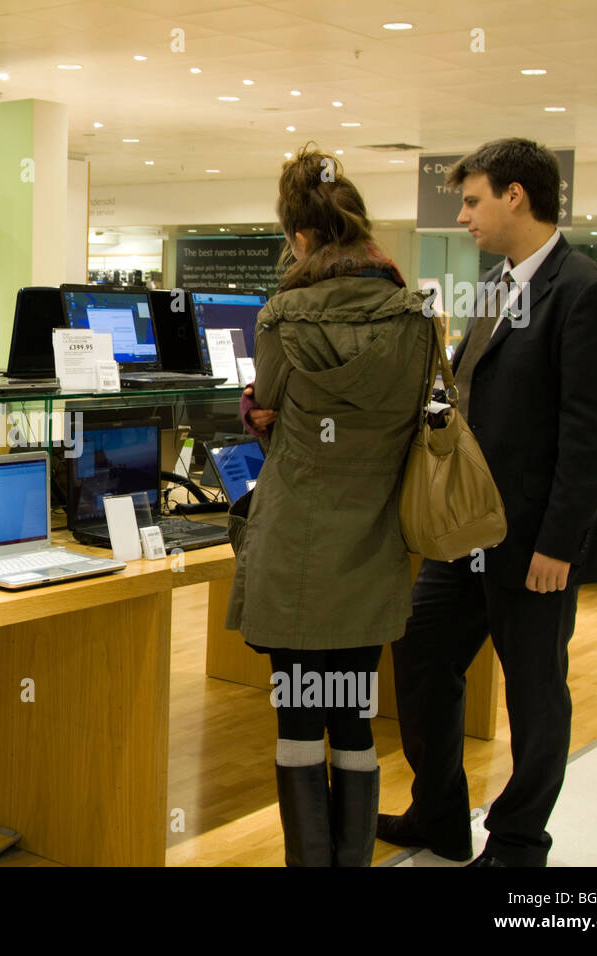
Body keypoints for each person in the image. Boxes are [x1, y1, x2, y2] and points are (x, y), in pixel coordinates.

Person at [379, 138, 597, 867]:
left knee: (534, 691)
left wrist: (557, 543)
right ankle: (439, 814)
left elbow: (590, 437)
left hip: (538, 540)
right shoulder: (494, 287)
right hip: (470, 533)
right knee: (421, 649)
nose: (463, 216)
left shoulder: (585, 293)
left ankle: (519, 842)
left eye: (473, 199)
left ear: (516, 195)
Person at [225, 145, 432, 866]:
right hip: (374, 544)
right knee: (354, 715)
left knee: (297, 714)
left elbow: (275, 409)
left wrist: (257, 409)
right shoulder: (413, 316)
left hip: (298, 549)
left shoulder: (282, 315)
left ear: (302, 236)